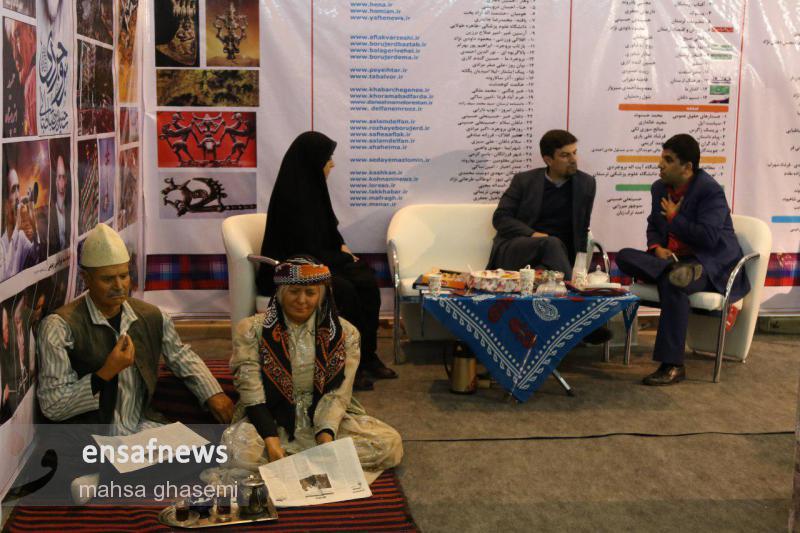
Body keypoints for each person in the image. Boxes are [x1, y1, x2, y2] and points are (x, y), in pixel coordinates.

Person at [37, 223, 236, 500]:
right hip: (89, 434)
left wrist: (213, 393)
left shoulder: (151, 316)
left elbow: (181, 355)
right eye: (108, 279)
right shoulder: (59, 326)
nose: (119, 286)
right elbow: (53, 406)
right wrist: (106, 372)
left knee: (214, 449)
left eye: (124, 275)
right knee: (59, 453)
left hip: (140, 428)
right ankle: (108, 475)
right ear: (86, 279)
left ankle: (102, 480)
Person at [231, 257, 403, 471]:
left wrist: (326, 438)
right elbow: (252, 392)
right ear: (281, 293)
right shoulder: (251, 329)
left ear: (321, 295)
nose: (301, 300)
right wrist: (271, 441)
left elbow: (338, 393)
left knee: (388, 444)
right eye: (294, 292)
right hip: (270, 416)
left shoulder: (345, 333)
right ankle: (309, 462)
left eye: (310, 293)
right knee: (238, 452)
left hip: (323, 415)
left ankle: (295, 462)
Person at [256, 131, 397, 390]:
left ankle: (367, 355)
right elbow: (303, 248)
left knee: (366, 280)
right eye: (327, 158)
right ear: (313, 161)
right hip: (291, 270)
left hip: (317, 261)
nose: (332, 164)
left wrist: (342, 247)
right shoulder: (292, 198)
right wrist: (341, 256)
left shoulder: (313, 189)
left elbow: (328, 231)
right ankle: (344, 365)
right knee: (344, 291)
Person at [616, 134, 750, 385]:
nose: (660, 165)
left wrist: (675, 219)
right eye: (662, 158)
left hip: (709, 263)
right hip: (674, 260)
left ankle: (673, 365)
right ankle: (671, 269)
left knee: (673, 283)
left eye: (668, 160)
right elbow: (654, 225)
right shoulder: (659, 188)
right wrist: (656, 247)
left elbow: (709, 238)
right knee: (624, 256)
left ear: (687, 167)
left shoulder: (710, 191)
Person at [488, 129, 611, 344]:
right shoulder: (524, 181)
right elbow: (500, 218)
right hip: (518, 249)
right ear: (548, 160)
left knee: (551, 264)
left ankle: (557, 332)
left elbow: (582, 229)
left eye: (574, 153)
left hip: (556, 258)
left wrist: (578, 268)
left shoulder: (586, 183)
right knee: (550, 243)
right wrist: (533, 234)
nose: (573, 159)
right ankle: (583, 321)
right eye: (565, 155)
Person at [1, 166, 40, 281]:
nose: (18, 196)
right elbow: (5, 277)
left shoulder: (21, 237)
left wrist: (34, 224)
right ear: (5, 202)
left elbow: (36, 256)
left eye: (18, 188)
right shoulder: (1, 245)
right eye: (13, 190)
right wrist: (17, 226)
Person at [48, 151, 71, 254]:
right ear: (55, 180)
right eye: (59, 177)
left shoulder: (70, 210)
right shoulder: (50, 213)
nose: (61, 182)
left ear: (66, 180)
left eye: (64, 177)